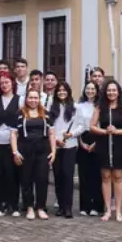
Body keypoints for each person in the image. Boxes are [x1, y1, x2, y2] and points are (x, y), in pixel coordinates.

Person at [90, 78, 122, 222]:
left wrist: (117, 131)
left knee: (118, 177)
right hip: (103, 144)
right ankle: (108, 210)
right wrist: (104, 132)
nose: (111, 92)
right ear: (105, 92)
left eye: (114, 90)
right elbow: (92, 126)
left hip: (119, 144)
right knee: (106, 177)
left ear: (118, 92)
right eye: (109, 90)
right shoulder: (100, 107)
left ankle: (119, 210)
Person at [12, 89, 55, 220]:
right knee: (26, 179)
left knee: (42, 179)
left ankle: (40, 207)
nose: (33, 100)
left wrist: (53, 151)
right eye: (30, 98)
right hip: (25, 148)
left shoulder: (46, 114)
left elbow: (51, 133)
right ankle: (29, 207)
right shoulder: (19, 114)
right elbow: (14, 134)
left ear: (39, 99)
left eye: (36, 98)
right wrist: (15, 151)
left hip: (42, 149)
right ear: (26, 99)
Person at [0, 71, 21, 217]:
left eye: (7, 82)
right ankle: (0, 203)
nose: (4, 85)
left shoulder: (20, 100)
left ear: (12, 83)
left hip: (11, 142)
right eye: (1, 83)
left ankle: (12, 204)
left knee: (11, 173)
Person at [49, 82, 81, 218]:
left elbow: (81, 126)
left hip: (70, 145)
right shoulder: (52, 107)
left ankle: (68, 207)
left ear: (68, 92)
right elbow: (49, 126)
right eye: (59, 90)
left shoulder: (75, 107)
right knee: (58, 176)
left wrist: (71, 134)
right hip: (55, 146)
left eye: (64, 90)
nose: (62, 92)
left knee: (68, 176)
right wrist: (56, 140)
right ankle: (61, 206)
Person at [75, 80, 103, 217]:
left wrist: (96, 143)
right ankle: (84, 205)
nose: (90, 91)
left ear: (97, 91)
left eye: (93, 88)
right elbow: (77, 125)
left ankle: (96, 206)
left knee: (96, 175)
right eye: (88, 88)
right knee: (84, 174)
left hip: (97, 139)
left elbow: (101, 125)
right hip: (83, 138)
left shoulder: (101, 106)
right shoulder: (79, 106)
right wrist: (80, 142)